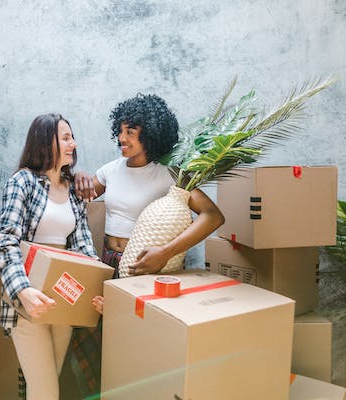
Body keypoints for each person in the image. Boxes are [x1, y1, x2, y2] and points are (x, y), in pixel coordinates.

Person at [70, 93, 225, 398]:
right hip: (107, 264)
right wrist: (79, 177)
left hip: (145, 270)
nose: (121, 138)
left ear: (151, 133)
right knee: (90, 338)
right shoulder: (111, 170)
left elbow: (212, 216)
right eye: (120, 130)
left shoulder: (170, 174)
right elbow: (80, 197)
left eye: (130, 131)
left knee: (134, 345)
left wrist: (164, 253)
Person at [0, 113, 98, 400]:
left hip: (64, 300)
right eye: (66, 137)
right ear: (45, 141)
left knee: (44, 388)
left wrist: (97, 289)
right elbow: (3, 241)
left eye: (72, 137)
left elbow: (84, 248)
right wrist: (23, 291)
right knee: (46, 393)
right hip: (28, 301)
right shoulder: (23, 182)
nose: (74, 143)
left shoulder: (73, 191)